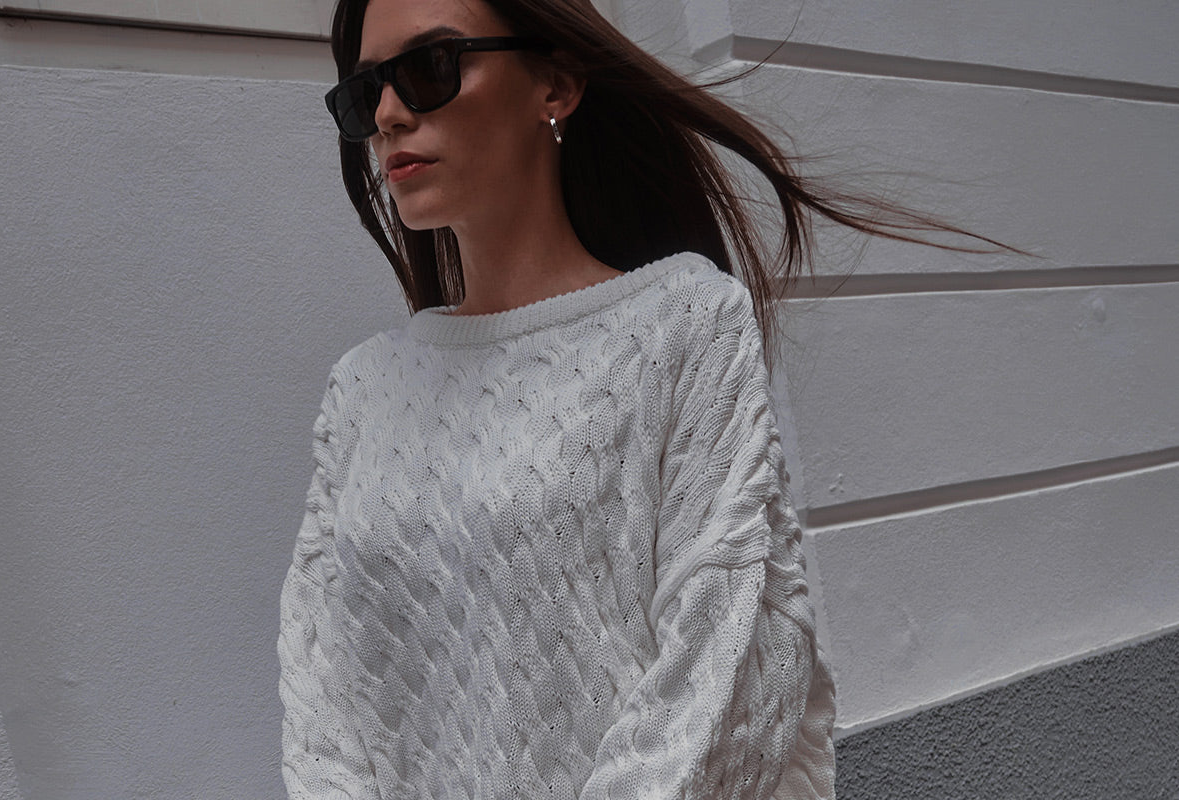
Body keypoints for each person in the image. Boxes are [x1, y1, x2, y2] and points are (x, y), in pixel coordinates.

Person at [278, 1, 1014, 797]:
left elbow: (720, 677)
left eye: (429, 69)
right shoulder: (363, 392)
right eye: (366, 92)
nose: (389, 114)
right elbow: (323, 702)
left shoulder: (684, 327)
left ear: (555, 85)